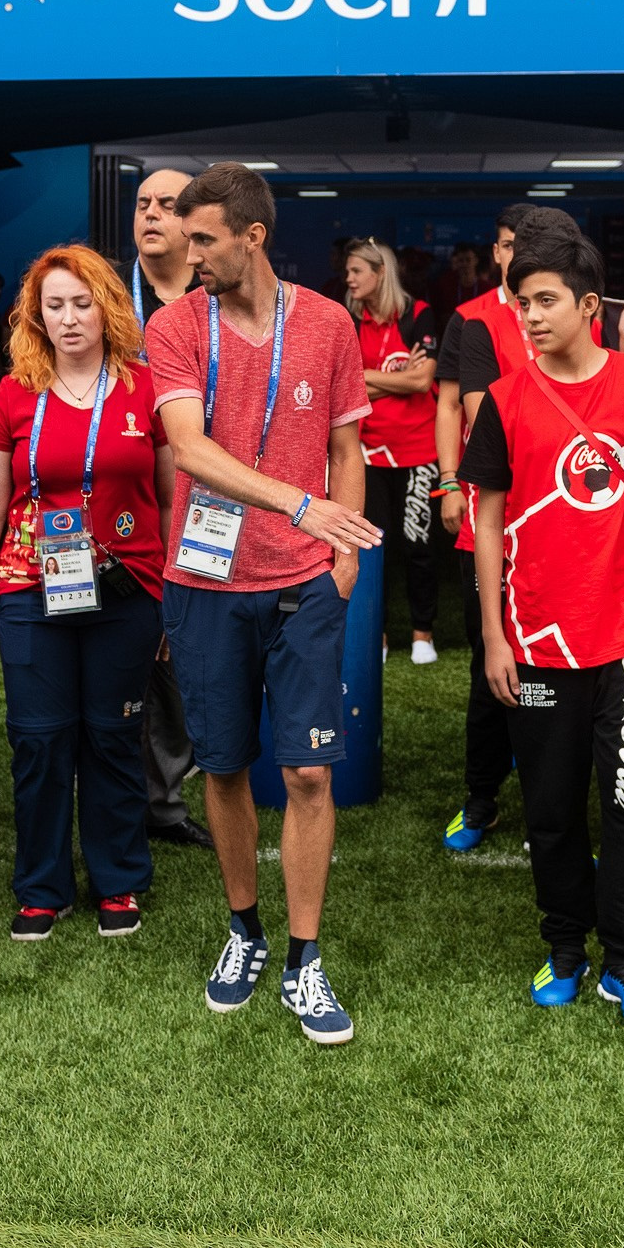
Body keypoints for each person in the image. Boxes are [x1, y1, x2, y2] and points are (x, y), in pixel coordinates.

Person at [145, 162, 380, 1045]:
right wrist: (299, 502)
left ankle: (305, 957)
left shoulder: (326, 322)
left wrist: (341, 547)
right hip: (204, 581)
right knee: (225, 765)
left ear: (253, 237)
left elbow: (346, 443)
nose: (186, 248)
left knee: (310, 771)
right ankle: (244, 929)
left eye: (203, 237)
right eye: (181, 233)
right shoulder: (176, 325)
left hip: (304, 580)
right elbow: (188, 449)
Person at [463, 224, 624, 1027]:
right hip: (538, 637)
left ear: (588, 306)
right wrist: (495, 635)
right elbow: (489, 519)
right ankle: (566, 945)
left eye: (545, 301)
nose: (529, 315)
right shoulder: (502, 399)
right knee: (553, 805)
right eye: (520, 300)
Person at [0, 245, 173, 938]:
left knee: (112, 736)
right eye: (55, 306)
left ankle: (119, 881)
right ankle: (42, 886)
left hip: (129, 588)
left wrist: (175, 598)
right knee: (39, 742)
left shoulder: (147, 390)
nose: (70, 318)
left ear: (107, 308)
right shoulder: (12, 394)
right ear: (34, 316)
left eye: (82, 303)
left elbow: (170, 498)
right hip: (28, 586)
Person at [433, 204, 575, 852]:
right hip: (496, 519)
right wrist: (446, 481)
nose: (519, 256)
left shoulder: (586, 316)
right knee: (494, 670)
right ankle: (482, 797)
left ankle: (558, 806)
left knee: (568, 679)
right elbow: (482, 415)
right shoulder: (475, 321)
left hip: (574, 524)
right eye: (513, 246)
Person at [127, 169, 215, 850]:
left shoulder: (223, 289)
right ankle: (127, 795)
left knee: (189, 655)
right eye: (142, 204)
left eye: (168, 204)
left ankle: (168, 797)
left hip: (213, 493)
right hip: (124, 496)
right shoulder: (102, 297)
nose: (152, 214)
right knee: (126, 652)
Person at [343, 238, 442, 665]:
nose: (348, 279)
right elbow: (344, 386)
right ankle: (378, 637)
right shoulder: (348, 318)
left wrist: (370, 383)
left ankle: (423, 634)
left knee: (418, 546)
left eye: (356, 271)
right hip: (368, 452)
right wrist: (394, 379)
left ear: (379, 273)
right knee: (374, 547)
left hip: (420, 448)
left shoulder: (418, 315)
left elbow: (424, 383)